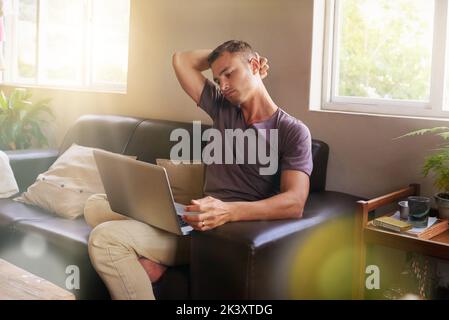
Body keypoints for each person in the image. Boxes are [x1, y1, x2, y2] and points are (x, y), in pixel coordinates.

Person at [86, 40, 313, 300]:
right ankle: (152, 257)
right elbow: (180, 60)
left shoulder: (292, 131)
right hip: (192, 215)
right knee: (95, 204)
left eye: (229, 73)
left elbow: (295, 203)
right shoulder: (223, 108)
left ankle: (151, 257)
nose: (223, 85)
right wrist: (226, 57)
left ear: (254, 65)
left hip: (218, 232)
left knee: (105, 238)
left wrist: (227, 211)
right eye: (218, 78)